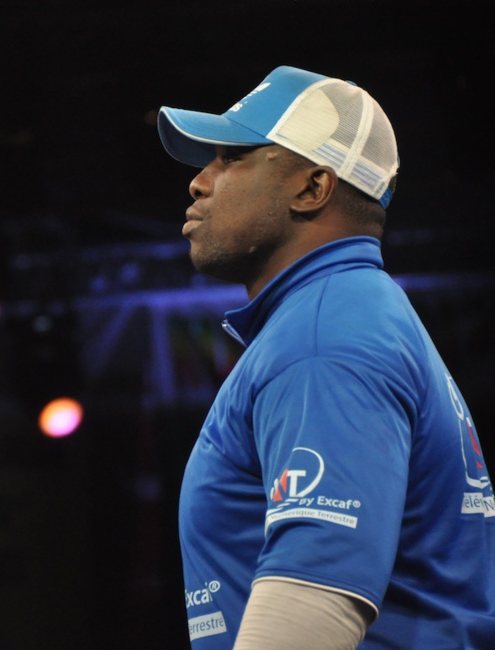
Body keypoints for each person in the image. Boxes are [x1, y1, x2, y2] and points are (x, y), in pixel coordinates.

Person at [157, 65, 495, 648]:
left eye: (232, 157)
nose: (199, 181)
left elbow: (312, 605)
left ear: (312, 188)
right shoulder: (349, 314)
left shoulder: (324, 336)